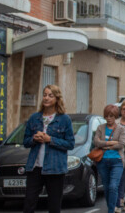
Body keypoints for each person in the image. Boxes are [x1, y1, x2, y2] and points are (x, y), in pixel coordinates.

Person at [23, 85, 75, 213]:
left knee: (54, 205)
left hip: (55, 168)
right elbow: (25, 142)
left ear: (57, 99)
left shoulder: (64, 119)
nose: (46, 98)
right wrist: (34, 139)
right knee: (29, 203)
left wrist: (50, 140)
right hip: (35, 167)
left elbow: (70, 144)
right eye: (45, 95)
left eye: (50, 96)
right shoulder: (34, 117)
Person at [95, 105, 125, 213]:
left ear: (115, 116)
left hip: (117, 161)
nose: (109, 118)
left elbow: (121, 144)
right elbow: (96, 142)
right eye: (107, 116)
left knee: (113, 186)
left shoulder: (121, 129)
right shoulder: (100, 128)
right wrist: (110, 143)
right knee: (107, 187)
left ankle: (111, 210)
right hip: (102, 161)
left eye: (111, 116)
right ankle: (111, 208)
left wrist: (104, 146)